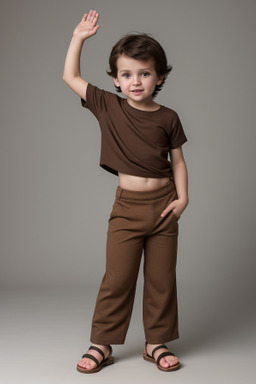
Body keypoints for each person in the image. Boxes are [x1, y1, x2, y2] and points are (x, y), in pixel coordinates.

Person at [63, 9, 188, 373]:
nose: (136, 81)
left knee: (162, 279)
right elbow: (70, 76)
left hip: (165, 205)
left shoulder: (169, 117)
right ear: (116, 80)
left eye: (144, 73)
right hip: (128, 207)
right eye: (127, 74)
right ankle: (102, 344)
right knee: (117, 278)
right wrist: (79, 38)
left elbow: (177, 161)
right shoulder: (107, 106)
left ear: (159, 77)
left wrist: (183, 198)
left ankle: (155, 343)